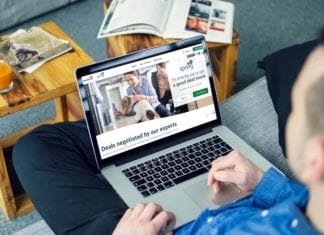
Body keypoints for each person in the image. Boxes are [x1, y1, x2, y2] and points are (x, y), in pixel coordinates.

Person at [12, 35, 324, 234]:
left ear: (317, 157)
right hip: (246, 195)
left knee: (33, 149)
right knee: (46, 143)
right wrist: (264, 183)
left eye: (295, 104)